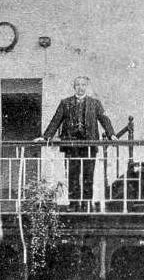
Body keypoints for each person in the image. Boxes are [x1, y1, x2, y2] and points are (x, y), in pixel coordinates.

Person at [37, 76, 116, 206]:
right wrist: (46, 137)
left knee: (88, 176)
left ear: (87, 87)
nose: (80, 87)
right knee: (73, 176)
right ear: (74, 87)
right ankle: (73, 204)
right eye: (78, 85)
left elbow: (104, 119)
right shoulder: (65, 103)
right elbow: (56, 120)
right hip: (71, 146)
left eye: (83, 85)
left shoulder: (95, 103)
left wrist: (111, 134)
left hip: (89, 146)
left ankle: (86, 205)